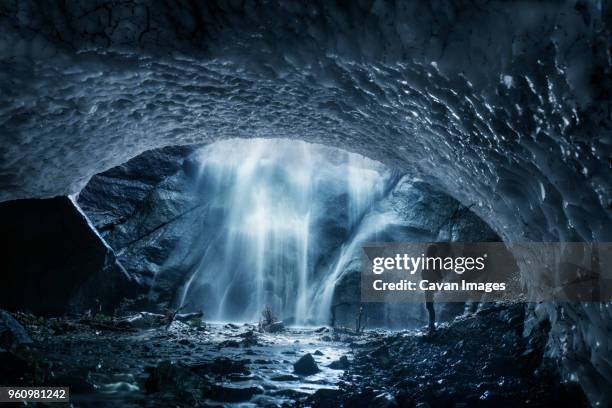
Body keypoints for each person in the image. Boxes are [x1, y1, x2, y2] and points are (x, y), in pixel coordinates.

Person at [421, 243, 449, 334]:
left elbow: (438, 273)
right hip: (428, 284)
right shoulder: (430, 260)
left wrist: (440, 285)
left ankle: (432, 325)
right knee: (429, 306)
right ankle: (431, 324)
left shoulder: (434, 260)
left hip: (430, 284)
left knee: (429, 305)